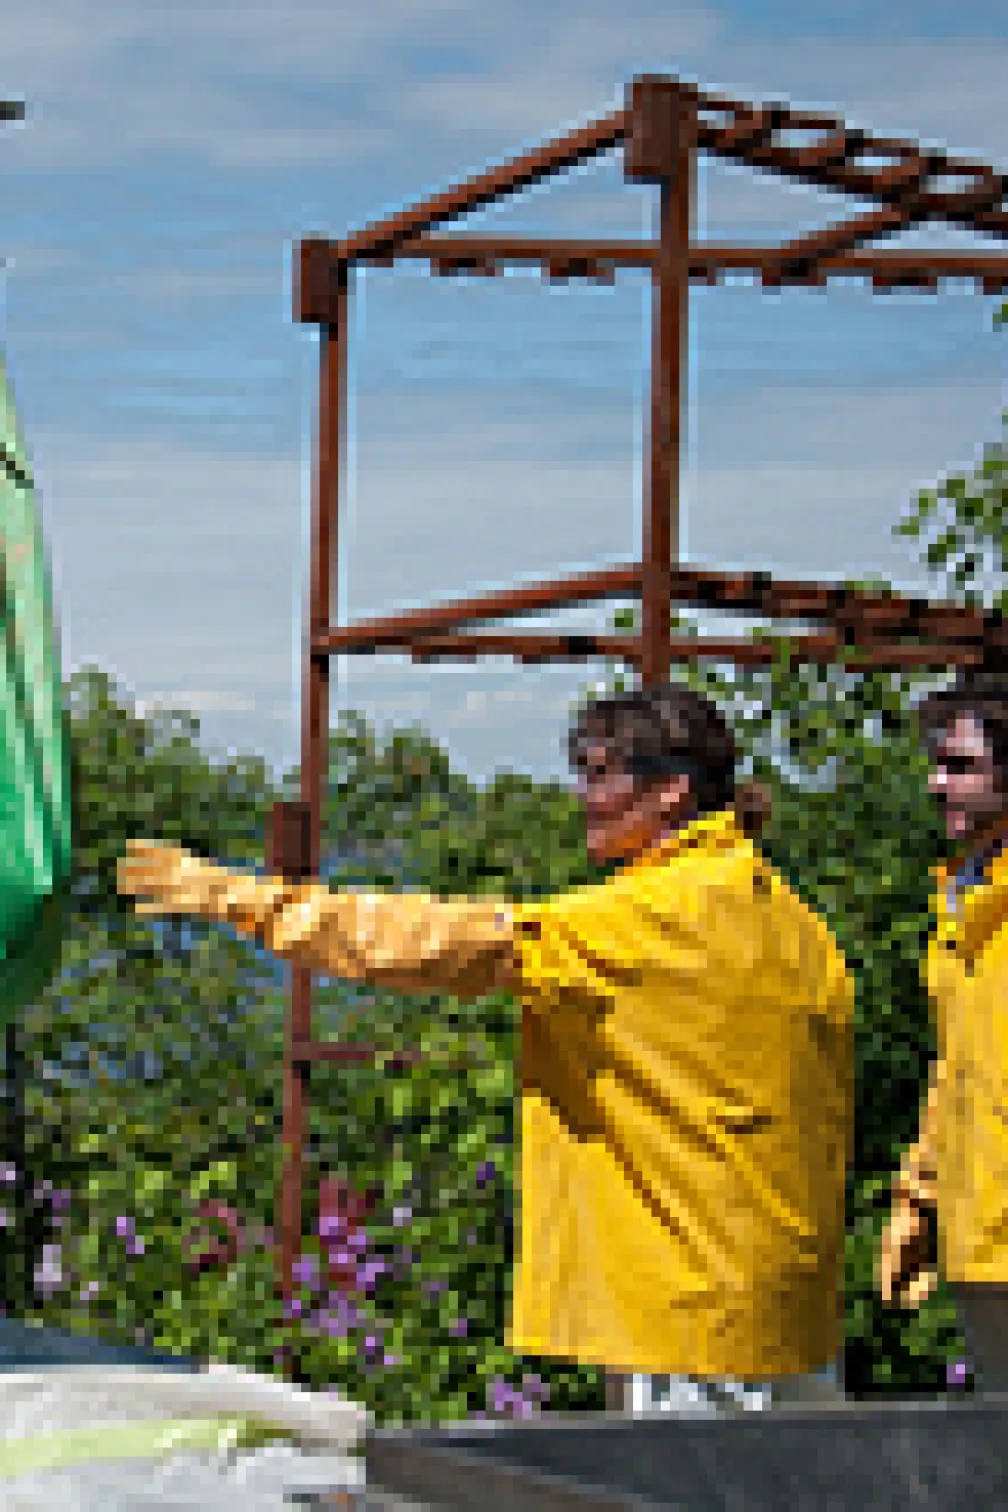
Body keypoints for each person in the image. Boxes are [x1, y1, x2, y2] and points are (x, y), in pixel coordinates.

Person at [118, 683, 852, 1414]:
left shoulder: (648, 916)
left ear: (670, 793)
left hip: (686, 1312)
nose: (580, 795)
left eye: (599, 773)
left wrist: (234, 898)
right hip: (787, 1302)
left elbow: (426, 941)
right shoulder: (791, 921)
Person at [879, 671, 1008, 1390]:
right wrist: (918, 1198)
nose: (937, 783)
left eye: (961, 766)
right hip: (983, 1235)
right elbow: (956, 1072)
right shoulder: (966, 904)